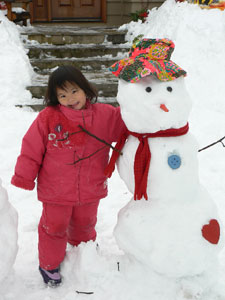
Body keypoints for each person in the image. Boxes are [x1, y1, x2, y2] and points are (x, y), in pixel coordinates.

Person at [11, 65, 126, 287]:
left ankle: (82, 252)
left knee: (85, 224)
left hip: (90, 188)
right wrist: (24, 176)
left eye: (74, 91)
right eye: (62, 95)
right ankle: (49, 263)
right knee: (53, 227)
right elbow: (31, 148)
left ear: (85, 89)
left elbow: (128, 124)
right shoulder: (48, 119)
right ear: (55, 98)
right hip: (56, 191)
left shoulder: (104, 116)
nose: (70, 98)